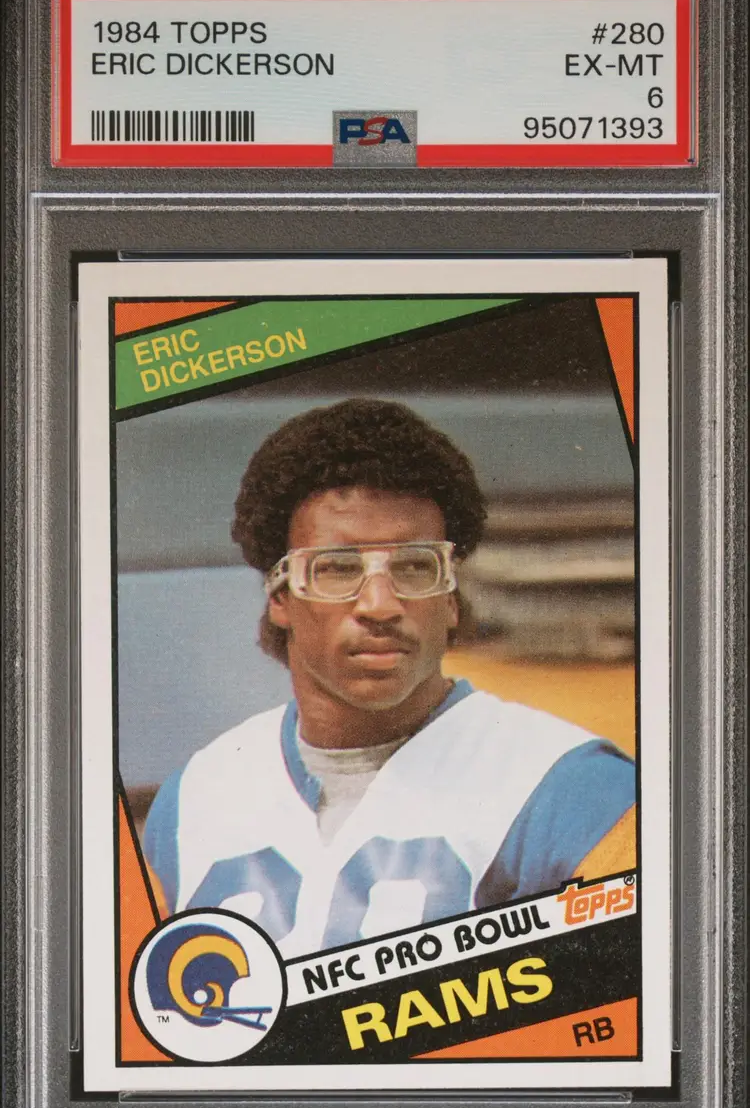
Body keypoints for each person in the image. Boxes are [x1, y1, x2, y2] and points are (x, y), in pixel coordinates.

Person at [143, 398, 635, 957]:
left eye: (414, 567)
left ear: (451, 598)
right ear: (280, 597)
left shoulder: (575, 791)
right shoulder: (193, 798)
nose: (380, 604)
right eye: (336, 569)